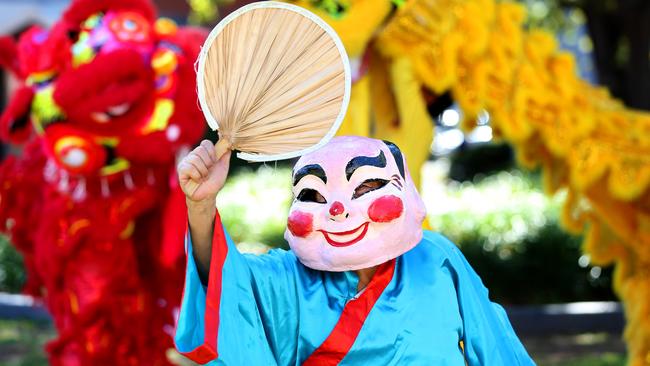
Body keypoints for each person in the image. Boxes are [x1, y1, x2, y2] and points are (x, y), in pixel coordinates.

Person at [174, 136, 535, 365]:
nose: (337, 208)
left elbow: (493, 345)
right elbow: (222, 281)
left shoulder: (436, 258)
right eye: (313, 194)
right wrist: (201, 205)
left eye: (365, 186)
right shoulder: (288, 277)